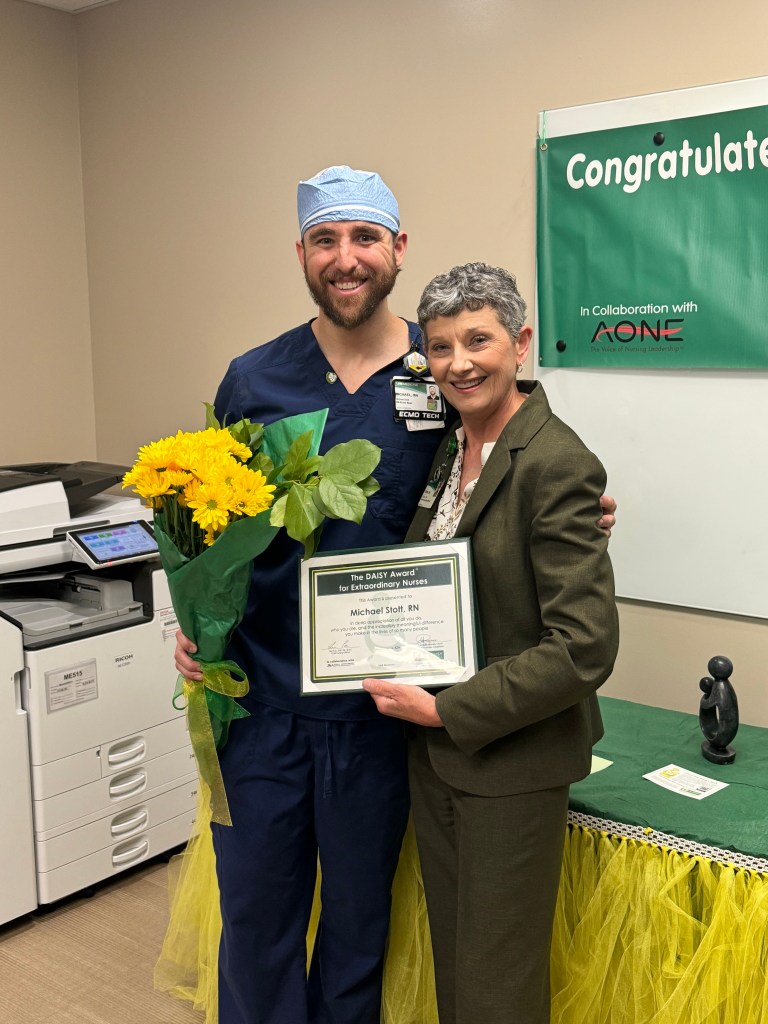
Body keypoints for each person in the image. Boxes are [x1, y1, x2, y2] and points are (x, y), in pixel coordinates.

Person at [172, 168, 617, 1024]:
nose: (347, 259)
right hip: (262, 704)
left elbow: (512, 465)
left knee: (358, 930)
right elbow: (202, 523)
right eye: (326, 240)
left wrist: (588, 506)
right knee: (256, 922)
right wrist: (193, 625)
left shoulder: (441, 366)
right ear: (301, 252)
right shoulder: (253, 379)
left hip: (382, 714)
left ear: (397, 249)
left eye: (365, 238)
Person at [363, 262, 620, 1024]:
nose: (458, 362)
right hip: (440, 755)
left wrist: (447, 711)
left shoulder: (557, 462)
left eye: (478, 340)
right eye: (440, 347)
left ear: (521, 343)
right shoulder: (454, 448)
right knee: (459, 961)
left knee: (497, 983)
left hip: (508, 760)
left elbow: (582, 647)